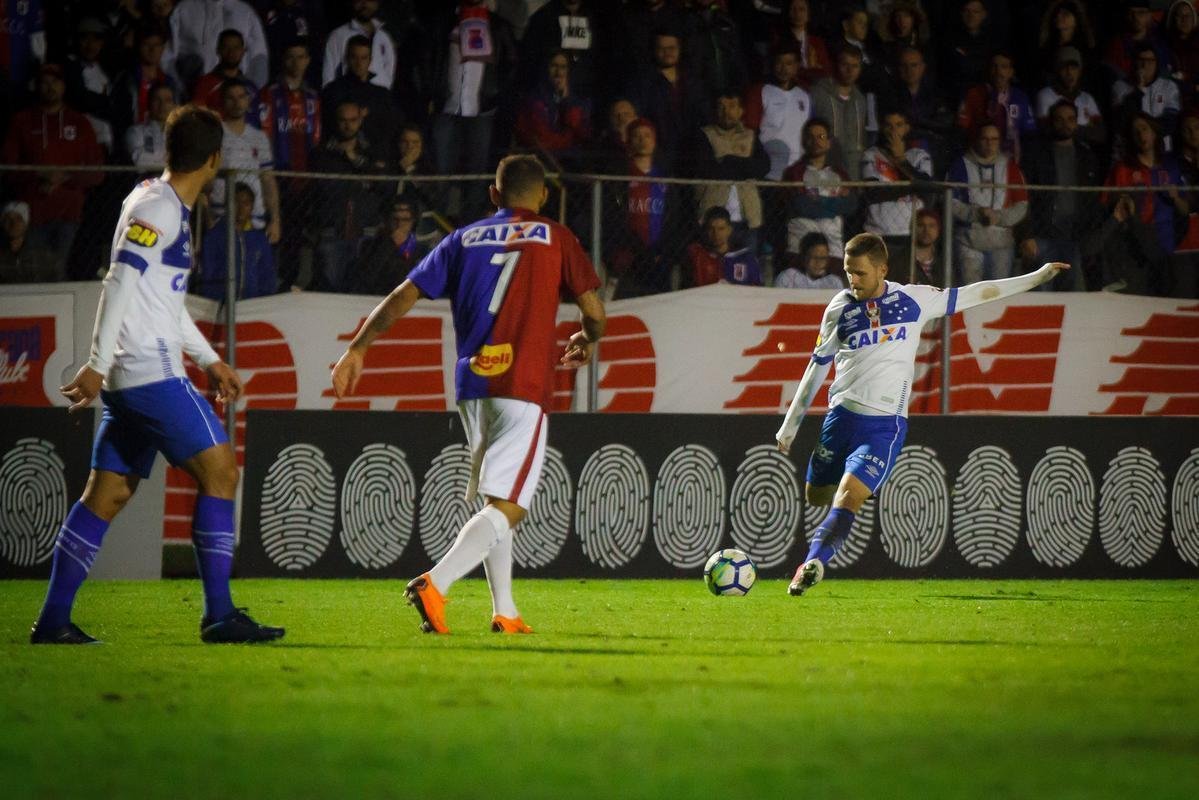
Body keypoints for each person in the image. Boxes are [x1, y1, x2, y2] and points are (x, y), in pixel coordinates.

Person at [31, 104, 283, 644]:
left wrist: (210, 360)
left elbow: (162, 304)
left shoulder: (155, 202)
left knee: (107, 496)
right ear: (214, 160)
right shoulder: (160, 210)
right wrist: (96, 365)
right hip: (148, 374)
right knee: (221, 474)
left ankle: (52, 621)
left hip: (134, 375)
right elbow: (117, 282)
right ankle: (219, 615)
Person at [331, 155, 606, 635]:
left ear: (494, 195)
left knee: (496, 499)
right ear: (543, 196)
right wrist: (588, 335)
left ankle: (506, 610)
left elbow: (404, 293)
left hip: (473, 384)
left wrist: (357, 348)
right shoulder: (557, 236)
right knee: (511, 506)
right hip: (523, 384)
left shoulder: (462, 238)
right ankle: (435, 583)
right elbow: (594, 310)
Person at [775, 232, 1069, 596]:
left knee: (847, 497)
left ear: (883, 269)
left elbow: (979, 291)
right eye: (849, 272)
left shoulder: (913, 300)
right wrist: (790, 427)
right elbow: (817, 366)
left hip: (884, 426)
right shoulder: (839, 307)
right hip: (840, 420)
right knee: (816, 495)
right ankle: (838, 511)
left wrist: (1036, 277)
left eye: (861, 273)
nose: (853, 280)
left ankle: (814, 561)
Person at [2, 63, 104, 275]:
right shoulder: (21, 121)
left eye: (55, 82)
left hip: (69, 214)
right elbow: (8, 168)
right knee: (31, 274)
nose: (50, 87)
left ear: (64, 86)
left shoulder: (79, 122)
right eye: (44, 82)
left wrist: (63, 177)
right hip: (31, 215)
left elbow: (97, 173)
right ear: (36, 86)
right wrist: (40, 174)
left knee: (59, 273)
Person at [1017, 100, 1103, 292]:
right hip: (1044, 233)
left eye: (1071, 119)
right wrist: (1027, 234)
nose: (1065, 124)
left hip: (1075, 235)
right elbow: (1025, 196)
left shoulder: (1086, 155)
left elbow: (1091, 200)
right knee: (1042, 296)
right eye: (1060, 119)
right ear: (1051, 122)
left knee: (1072, 296)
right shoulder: (1037, 154)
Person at [947, 123, 1029, 283]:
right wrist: (976, 214)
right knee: (970, 295)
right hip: (968, 242)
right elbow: (951, 202)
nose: (989, 143)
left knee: (998, 294)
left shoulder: (1010, 167)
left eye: (994, 139)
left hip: (1001, 243)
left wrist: (997, 217)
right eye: (985, 138)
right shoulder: (960, 166)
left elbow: (1021, 205)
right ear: (976, 140)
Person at [692, 92, 770, 254]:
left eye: (732, 106)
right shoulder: (704, 135)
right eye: (721, 107)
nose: (726, 112)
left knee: (746, 273)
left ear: (741, 111)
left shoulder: (750, 135)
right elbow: (706, 168)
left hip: (747, 220)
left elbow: (763, 166)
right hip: (713, 224)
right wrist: (744, 167)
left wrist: (727, 160)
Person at [209, 79, 281, 243]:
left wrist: (275, 220)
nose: (237, 102)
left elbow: (268, 179)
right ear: (223, 102)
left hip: (255, 219)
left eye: (241, 97)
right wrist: (208, 218)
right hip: (222, 217)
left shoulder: (259, 137)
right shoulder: (214, 135)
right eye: (231, 98)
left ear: (248, 100)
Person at [783, 118, 856, 259]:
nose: (816, 141)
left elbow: (851, 205)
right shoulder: (794, 172)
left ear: (828, 142)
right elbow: (801, 205)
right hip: (800, 246)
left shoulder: (840, 174)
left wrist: (818, 201)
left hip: (833, 248)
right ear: (804, 142)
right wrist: (834, 205)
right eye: (811, 137)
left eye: (821, 137)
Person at [197, 181, 277, 299]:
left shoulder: (259, 239)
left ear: (252, 206)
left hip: (252, 305)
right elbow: (208, 274)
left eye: (246, 203)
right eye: (236, 202)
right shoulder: (215, 237)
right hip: (220, 304)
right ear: (227, 204)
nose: (240, 208)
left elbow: (267, 275)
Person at [955, 51, 1036, 163]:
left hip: (1012, 161)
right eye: (994, 66)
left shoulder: (1020, 97)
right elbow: (962, 130)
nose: (998, 72)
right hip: (979, 159)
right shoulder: (974, 94)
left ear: (1011, 72)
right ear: (988, 70)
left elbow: (1028, 132)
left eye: (1004, 67)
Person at [809, 46, 876, 179]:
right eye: (845, 64)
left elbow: (864, 138)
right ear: (835, 65)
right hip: (825, 166)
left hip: (854, 170)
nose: (850, 70)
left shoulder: (861, 100)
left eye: (855, 66)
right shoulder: (818, 94)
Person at [170, 0, 268, 89]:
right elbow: (170, 55)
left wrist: (251, 92)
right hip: (197, 91)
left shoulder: (244, 12)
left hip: (237, 95)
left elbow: (259, 56)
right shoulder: (184, 9)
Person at [349, 197, 428, 295]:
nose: (400, 224)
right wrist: (389, 244)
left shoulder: (421, 250)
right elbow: (366, 279)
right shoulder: (370, 246)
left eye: (405, 220)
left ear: (413, 222)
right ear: (387, 221)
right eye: (395, 219)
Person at [1034, 47, 1106, 149]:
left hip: (1083, 156)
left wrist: (1066, 128)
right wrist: (1085, 129)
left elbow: (1101, 135)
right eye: (1064, 68)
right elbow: (1045, 131)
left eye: (1074, 68)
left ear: (1080, 71)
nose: (1069, 73)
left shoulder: (1087, 98)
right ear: (1057, 70)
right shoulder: (1045, 95)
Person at [322, 0, 396, 90]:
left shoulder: (384, 38)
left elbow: (389, 75)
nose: (364, 3)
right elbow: (328, 79)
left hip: (379, 100)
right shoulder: (338, 36)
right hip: (347, 100)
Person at [685, 206, 763, 287]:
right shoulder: (697, 255)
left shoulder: (746, 258)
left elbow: (757, 290)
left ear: (729, 230)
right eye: (711, 229)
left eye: (721, 229)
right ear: (705, 230)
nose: (716, 234)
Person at [191, 29, 259, 114]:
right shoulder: (204, 84)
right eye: (226, 47)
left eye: (236, 47)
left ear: (243, 51)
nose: (231, 52)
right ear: (218, 50)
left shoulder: (251, 87)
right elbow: (197, 118)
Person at [0, 201, 56, 284]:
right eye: (8, 219)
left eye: (19, 219)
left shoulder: (43, 255)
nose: (13, 223)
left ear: (26, 223)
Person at [124, 82, 177, 169]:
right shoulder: (135, 132)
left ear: (174, 106)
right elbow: (140, 162)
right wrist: (173, 162)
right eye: (157, 100)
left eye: (167, 100)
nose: (162, 105)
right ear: (149, 104)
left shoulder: (183, 135)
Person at [774, 231, 842, 289]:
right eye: (814, 257)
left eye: (823, 258)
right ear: (803, 257)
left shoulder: (834, 282)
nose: (818, 263)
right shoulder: (788, 278)